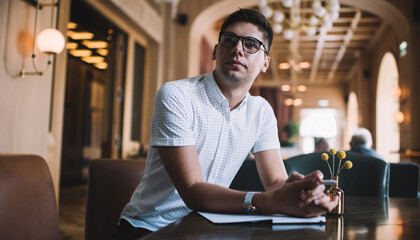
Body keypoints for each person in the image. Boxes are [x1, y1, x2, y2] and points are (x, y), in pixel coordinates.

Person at [116, 9, 338, 239]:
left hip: (207, 226)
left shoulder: (261, 111)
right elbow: (192, 190)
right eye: (230, 40)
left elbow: (275, 182)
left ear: (265, 62)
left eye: (251, 44)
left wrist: (304, 193)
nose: (238, 49)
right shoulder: (176, 95)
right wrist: (268, 200)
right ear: (215, 51)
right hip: (150, 227)